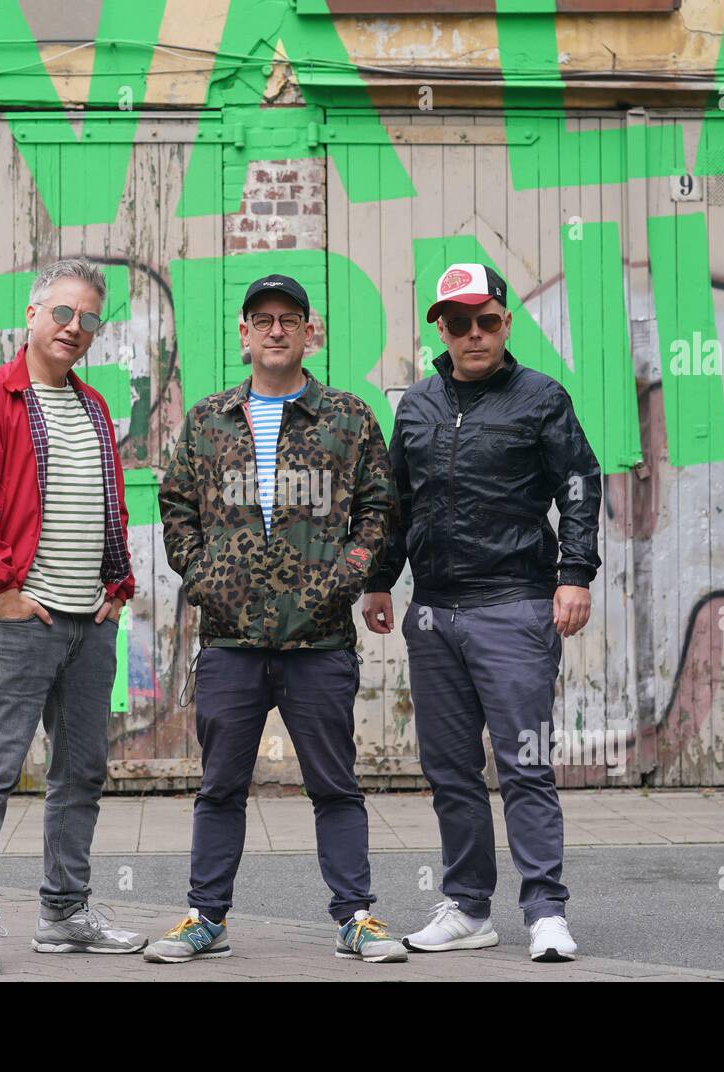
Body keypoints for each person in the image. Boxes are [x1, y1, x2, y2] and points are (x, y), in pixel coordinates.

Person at [149, 274, 407, 964]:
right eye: (261, 319)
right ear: (243, 333)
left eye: (288, 318)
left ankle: (356, 916)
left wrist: (346, 575)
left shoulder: (346, 417)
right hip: (231, 640)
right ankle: (207, 918)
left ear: (308, 330)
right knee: (220, 785)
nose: (274, 330)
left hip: (319, 639)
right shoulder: (209, 420)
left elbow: (380, 510)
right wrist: (204, 577)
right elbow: (176, 507)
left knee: (335, 784)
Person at [362, 262, 601, 962]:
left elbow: (580, 485)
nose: (473, 334)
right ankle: (468, 907)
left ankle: (546, 910)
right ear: (441, 328)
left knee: (525, 764)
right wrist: (381, 581)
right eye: (458, 322)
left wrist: (574, 574)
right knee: (451, 769)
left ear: (506, 321)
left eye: (486, 320)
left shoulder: (540, 398)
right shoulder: (418, 405)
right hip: (435, 613)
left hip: (515, 606)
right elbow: (399, 505)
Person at [0, 257, 147, 974]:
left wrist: (116, 590)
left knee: (82, 770)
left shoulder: (92, 408)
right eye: (63, 313)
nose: (75, 329)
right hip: (18, 619)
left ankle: (63, 912)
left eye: (90, 318)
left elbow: (110, 507)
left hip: (89, 625)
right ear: (31, 315)